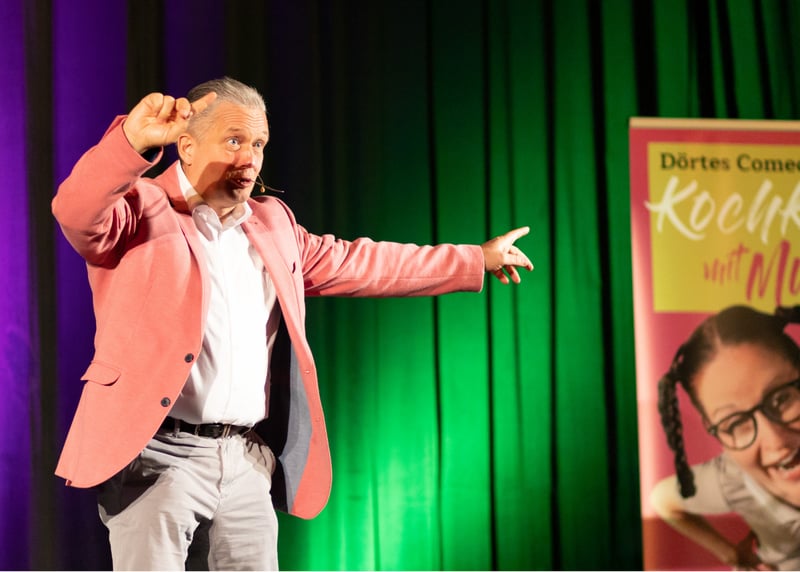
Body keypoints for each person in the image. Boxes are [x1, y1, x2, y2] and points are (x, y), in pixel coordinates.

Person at [51, 76, 533, 570]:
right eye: (234, 140)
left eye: (259, 144)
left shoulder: (272, 223)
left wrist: (475, 258)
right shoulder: (140, 209)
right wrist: (130, 142)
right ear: (187, 146)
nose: (250, 158)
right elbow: (75, 210)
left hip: (243, 458)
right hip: (157, 456)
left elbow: (360, 262)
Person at [651, 305, 800, 571]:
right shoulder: (732, 481)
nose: (776, 441)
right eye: (737, 423)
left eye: (781, 399)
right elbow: (662, 500)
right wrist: (731, 554)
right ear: (718, 435)